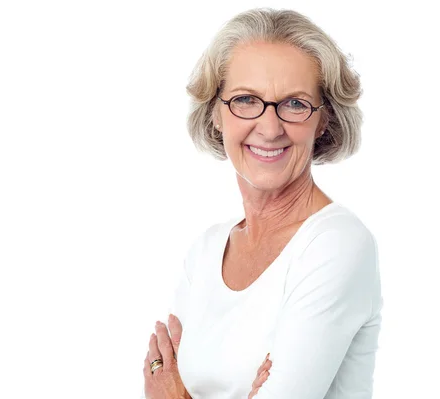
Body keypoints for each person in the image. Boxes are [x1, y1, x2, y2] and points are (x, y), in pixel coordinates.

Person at [141, 7, 383, 399]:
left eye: (295, 104)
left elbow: (166, 391)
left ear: (323, 120)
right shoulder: (205, 251)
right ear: (216, 113)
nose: (270, 129)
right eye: (246, 100)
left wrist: (176, 396)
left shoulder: (336, 244)